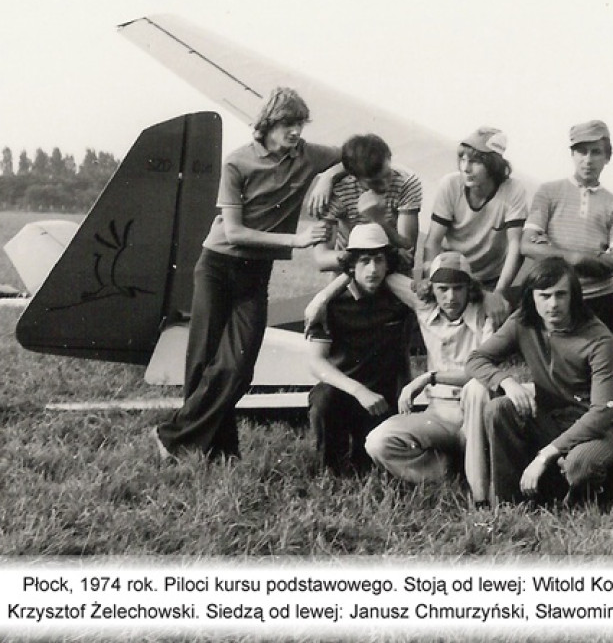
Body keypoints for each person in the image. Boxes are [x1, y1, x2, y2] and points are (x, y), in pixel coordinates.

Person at [153, 87, 344, 461]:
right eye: (288, 123)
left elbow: (353, 153)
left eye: (300, 124)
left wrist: (328, 175)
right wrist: (298, 238)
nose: (295, 132)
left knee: (238, 367)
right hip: (218, 267)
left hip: (255, 273)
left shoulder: (307, 156)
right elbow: (234, 232)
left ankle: (172, 436)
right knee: (205, 362)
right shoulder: (237, 163)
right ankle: (220, 452)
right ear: (268, 123)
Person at [466, 257, 613, 504]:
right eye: (544, 295)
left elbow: (601, 412)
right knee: (498, 408)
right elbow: (476, 359)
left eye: (560, 295)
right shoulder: (522, 322)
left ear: (574, 296)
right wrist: (507, 382)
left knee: (581, 464)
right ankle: (511, 502)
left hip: (594, 428)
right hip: (549, 419)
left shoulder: (598, 338)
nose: (553, 304)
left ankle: (577, 497)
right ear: (532, 296)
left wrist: (545, 456)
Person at [363, 251, 495, 504]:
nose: (451, 297)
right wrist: (320, 299)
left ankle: (480, 493)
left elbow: (482, 371)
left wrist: (428, 378)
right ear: (431, 288)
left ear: (469, 288)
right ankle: (448, 474)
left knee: (477, 387)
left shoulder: (485, 315)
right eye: (442, 288)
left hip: (475, 414)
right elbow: (387, 276)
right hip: (438, 416)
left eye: (458, 288)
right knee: (378, 442)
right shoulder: (425, 307)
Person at [306, 223, 414, 475]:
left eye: (379, 260)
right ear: (351, 265)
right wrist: (358, 391)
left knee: (369, 469)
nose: (373, 269)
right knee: (323, 399)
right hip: (344, 391)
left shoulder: (399, 301)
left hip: (383, 396)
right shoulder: (330, 305)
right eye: (364, 261)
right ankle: (330, 471)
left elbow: (429, 301)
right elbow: (316, 363)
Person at [521, 120, 613, 336]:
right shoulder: (549, 192)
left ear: (607, 157)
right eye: (582, 151)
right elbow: (527, 245)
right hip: (557, 296)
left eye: (596, 152)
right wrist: (578, 257)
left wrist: (554, 252)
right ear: (573, 154)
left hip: (599, 298)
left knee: (598, 360)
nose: (588, 160)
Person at [423, 127, 527, 318]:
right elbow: (433, 241)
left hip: (490, 278)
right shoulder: (450, 185)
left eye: (475, 161)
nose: (465, 168)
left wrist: (498, 294)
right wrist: (431, 278)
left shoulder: (513, 190)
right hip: (451, 272)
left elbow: (515, 246)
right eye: (463, 159)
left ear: (494, 164)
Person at [314, 133, 422, 274]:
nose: (385, 185)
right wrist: (371, 256)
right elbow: (322, 259)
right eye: (375, 182)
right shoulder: (338, 190)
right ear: (353, 176)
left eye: (387, 174)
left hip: (393, 270)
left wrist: (379, 219)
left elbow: (408, 254)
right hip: (351, 270)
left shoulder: (406, 181)